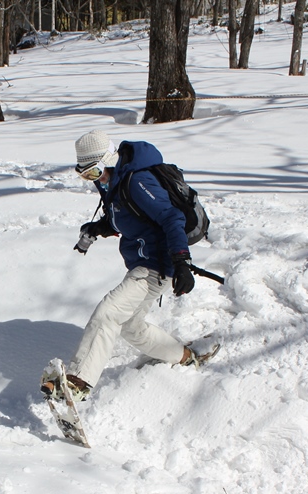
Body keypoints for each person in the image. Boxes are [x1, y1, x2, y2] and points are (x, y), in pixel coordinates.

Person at [42, 130, 202, 402]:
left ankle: (78, 382)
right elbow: (127, 219)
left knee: (108, 313)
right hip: (143, 264)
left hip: (156, 265)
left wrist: (182, 261)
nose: (94, 180)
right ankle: (185, 357)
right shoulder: (116, 186)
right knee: (131, 327)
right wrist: (99, 228)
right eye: (86, 176)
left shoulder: (137, 181)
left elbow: (171, 218)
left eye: (94, 172)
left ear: (109, 160)